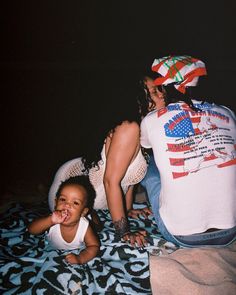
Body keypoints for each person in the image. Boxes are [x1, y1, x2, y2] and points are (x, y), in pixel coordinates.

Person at [139, 55, 236, 247]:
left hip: (181, 235)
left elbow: (146, 147)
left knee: (151, 165)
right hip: (231, 231)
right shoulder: (228, 112)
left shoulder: (151, 120)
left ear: (164, 88)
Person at [48, 76, 151, 247]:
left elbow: (130, 179)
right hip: (71, 189)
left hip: (95, 198)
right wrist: (124, 232)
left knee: (94, 224)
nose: (162, 95)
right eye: (153, 92)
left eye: (161, 90)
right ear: (139, 98)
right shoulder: (129, 127)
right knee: (88, 231)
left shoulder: (146, 129)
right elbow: (111, 181)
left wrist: (128, 210)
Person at [28, 175, 100, 264]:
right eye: (63, 199)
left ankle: (92, 213)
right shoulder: (52, 220)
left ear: (83, 212)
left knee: (97, 226)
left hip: (87, 218)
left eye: (75, 202)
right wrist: (50, 220)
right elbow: (31, 230)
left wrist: (80, 258)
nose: (67, 205)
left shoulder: (84, 227)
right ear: (55, 203)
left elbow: (94, 246)